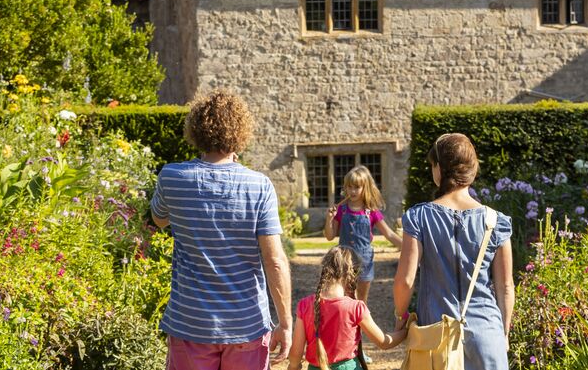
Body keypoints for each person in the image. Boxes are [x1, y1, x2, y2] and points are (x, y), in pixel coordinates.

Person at [150, 90, 292, 370]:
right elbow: (274, 260)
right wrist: (286, 323)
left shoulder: (172, 177)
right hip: (247, 324)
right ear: (240, 132)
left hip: (191, 324)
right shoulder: (259, 186)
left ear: (195, 131)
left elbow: (159, 219)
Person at [393, 133, 515, 370]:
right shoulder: (495, 221)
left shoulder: (419, 217)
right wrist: (504, 333)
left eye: (432, 165)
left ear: (439, 169)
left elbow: (404, 281)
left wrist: (401, 318)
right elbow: (506, 286)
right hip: (487, 335)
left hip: (436, 338)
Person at [287, 246, 407, 370]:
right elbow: (384, 343)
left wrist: (293, 366)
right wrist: (406, 331)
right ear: (352, 274)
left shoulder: (305, 305)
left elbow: (296, 354)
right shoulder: (356, 308)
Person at [323, 165, 401, 305]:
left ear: (365, 188)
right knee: (347, 299)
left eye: (357, 187)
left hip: (364, 261)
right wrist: (329, 219)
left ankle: (361, 326)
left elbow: (389, 233)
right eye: (349, 187)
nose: (352, 191)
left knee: (361, 301)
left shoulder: (371, 211)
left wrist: (407, 247)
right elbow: (330, 236)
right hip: (344, 261)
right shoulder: (341, 210)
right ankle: (348, 326)